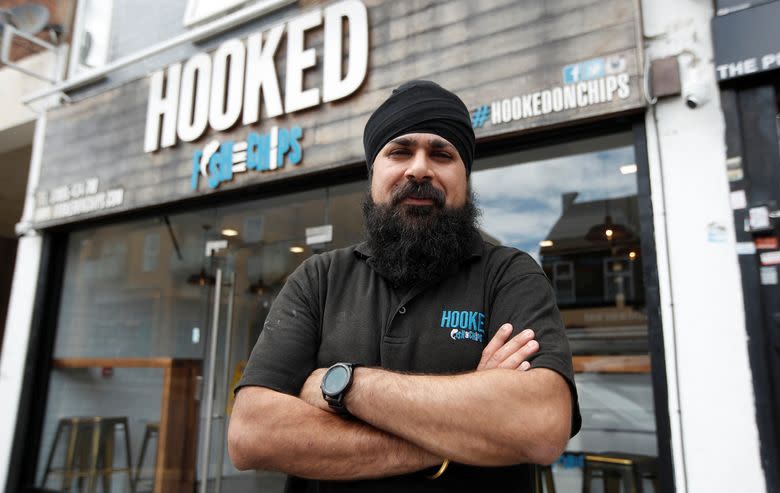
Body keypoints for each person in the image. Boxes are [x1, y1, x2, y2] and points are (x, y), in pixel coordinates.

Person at [229, 80, 581, 492]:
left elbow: (540, 425)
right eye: (399, 151)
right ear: (373, 173)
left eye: (441, 153)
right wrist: (462, 432)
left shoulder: (510, 275)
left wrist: (341, 385)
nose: (418, 168)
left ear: (465, 177)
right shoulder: (318, 279)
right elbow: (252, 434)